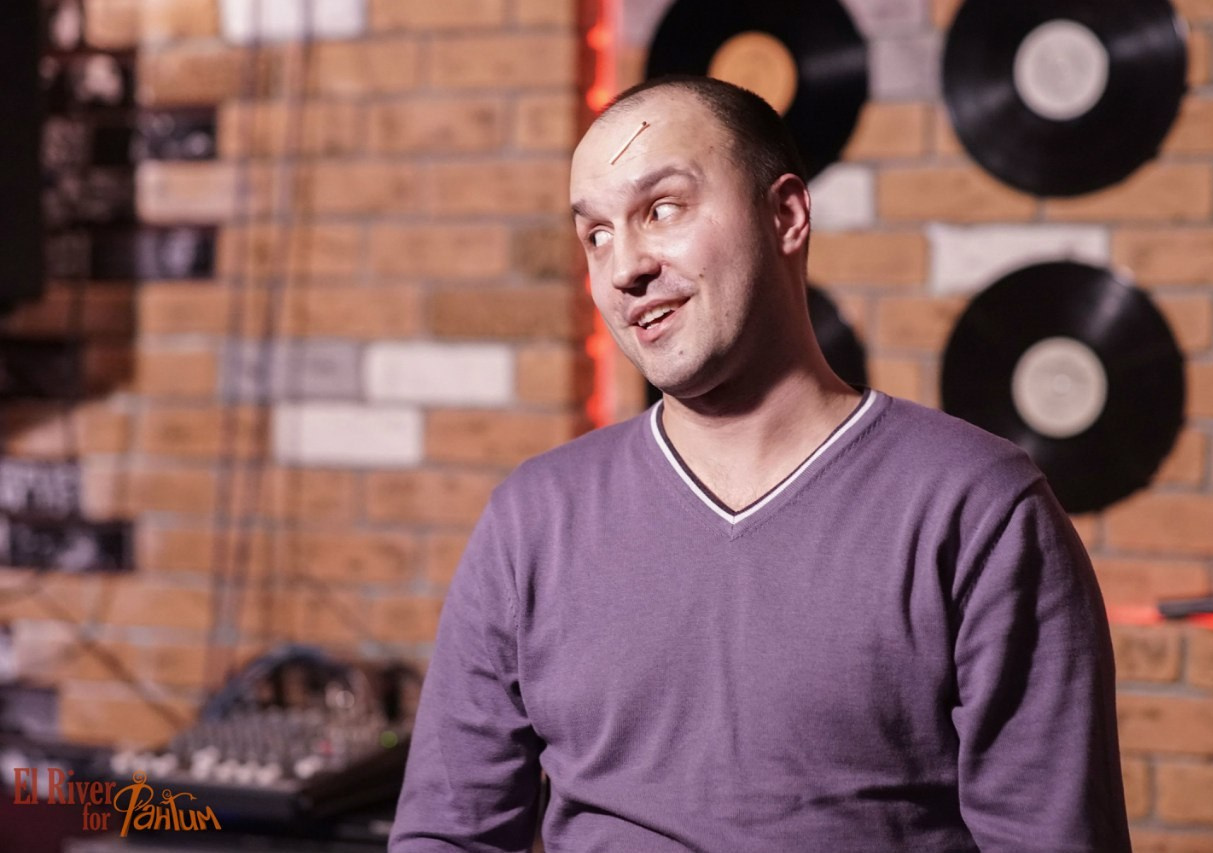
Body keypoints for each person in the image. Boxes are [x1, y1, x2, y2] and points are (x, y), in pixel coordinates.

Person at [390, 75, 1130, 853]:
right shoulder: (532, 517)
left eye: (662, 209)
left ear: (786, 215)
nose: (624, 266)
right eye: (596, 235)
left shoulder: (978, 508)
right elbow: (447, 834)